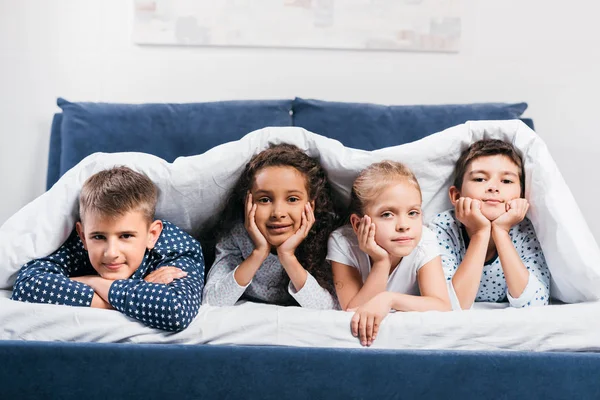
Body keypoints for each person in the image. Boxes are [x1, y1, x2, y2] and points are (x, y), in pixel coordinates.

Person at [11, 166, 205, 331]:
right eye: (98, 237)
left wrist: (92, 283)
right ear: (82, 235)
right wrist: (140, 292)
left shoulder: (178, 249)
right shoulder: (80, 243)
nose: (111, 253)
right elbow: (27, 285)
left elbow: (176, 311)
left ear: (152, 235)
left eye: (126, 236)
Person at [327, 161, 451, 347]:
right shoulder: (342, 242)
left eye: (413, 212)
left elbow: (442, 306)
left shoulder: (425, 240)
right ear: (358, 224)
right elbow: (354, 311)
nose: (403, 225)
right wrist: (381, 262)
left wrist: (389, 299)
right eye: (387, 214)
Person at [203, 143, 339, 309]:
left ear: (311, 206)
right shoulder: (237, 237)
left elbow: (328, 308)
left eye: (292, 199)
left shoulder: (326, 238)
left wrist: (287, 256)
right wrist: (258, 253)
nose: (278, 213)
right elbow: (212, 303)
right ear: (248, 203)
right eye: (265, 200)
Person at [430, 139, 550, 310]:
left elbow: (536, 303)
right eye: (480, 179)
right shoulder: (444, 227)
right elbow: (450, 305)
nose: (493, 187)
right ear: (456, 196)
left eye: (506, 181)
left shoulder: (524, 229)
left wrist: (501, 232)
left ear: (522, 197)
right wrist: (480, 233)